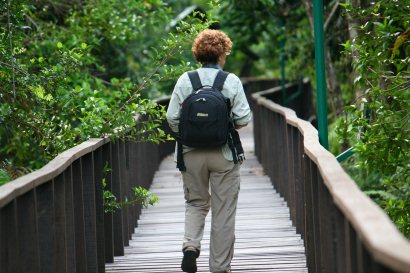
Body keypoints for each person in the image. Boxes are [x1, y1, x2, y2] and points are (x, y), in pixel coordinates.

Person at [166, 29, 252, 273]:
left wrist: (191, 132)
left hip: (190, 153)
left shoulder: (186, 80)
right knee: (223, 211)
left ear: (198, 54)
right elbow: (244, 117)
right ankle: (219, 267)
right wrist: (224, 126)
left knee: (196, 202)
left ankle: (191, 246)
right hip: (223, 153)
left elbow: (172, 118)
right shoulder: (231, 81)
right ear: (222, 54)